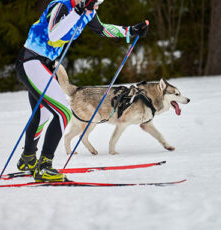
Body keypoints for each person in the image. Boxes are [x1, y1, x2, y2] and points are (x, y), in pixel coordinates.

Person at [15, 0, 149, 182]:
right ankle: (44, 166)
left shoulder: (87, 12)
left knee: (43, 113)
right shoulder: (61, 5)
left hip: (46, 65)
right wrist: (76, 13)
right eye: (96, 2)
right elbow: (54, 35)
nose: (97, 6)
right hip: (31, 61)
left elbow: (101, 29)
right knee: (62, 113)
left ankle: (28, 158)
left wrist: (130, 31)